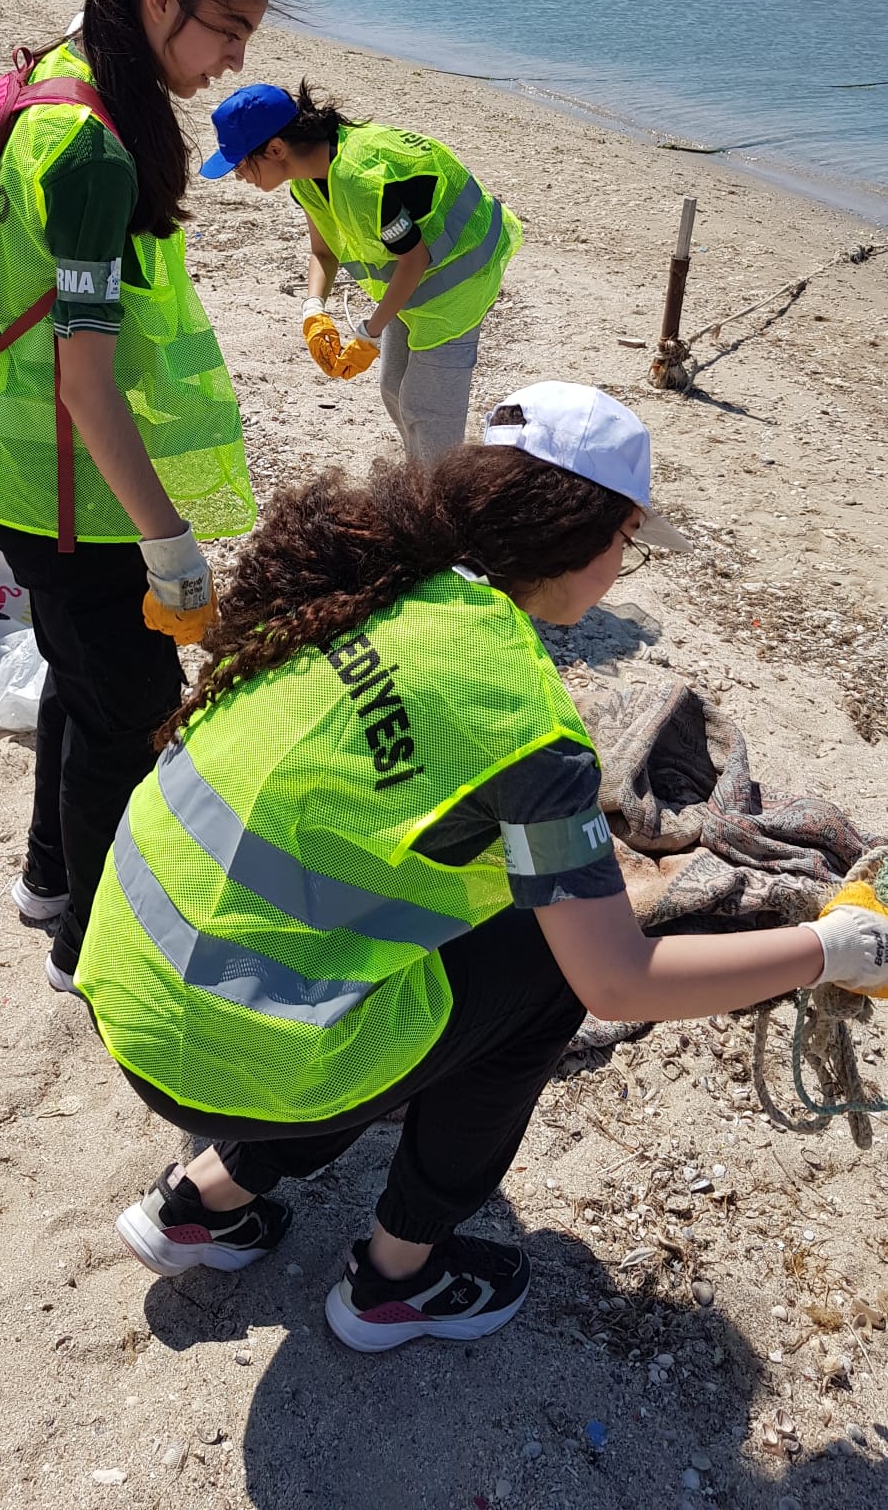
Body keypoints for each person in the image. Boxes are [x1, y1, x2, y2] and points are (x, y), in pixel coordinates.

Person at [75, 380, 888, 1353]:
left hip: (126, 986)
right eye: (626, 546)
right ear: (590, 535)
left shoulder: (363, 585)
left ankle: (203, 1199)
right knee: (544, 976)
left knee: (458, 942)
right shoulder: (520, 724)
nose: (619, 567)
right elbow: (615, 982)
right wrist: (830, 947)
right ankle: (394, 1281)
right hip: (227, 1059)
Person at [0, 0, 298, 992]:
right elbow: (86, 378)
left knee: (82, 677)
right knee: (136, 710)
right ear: (161, 1)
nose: (231, 61)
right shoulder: (92, 152)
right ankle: (88, 948)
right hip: (69, 489)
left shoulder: (51, 73)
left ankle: (48, 879)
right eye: (228, 32)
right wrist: (170, 545)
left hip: (15, 459)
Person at [199, 79, 522, 462]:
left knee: (426, 408)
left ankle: (440, 495)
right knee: (393, 389)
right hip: (415, 284)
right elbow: (322, 252)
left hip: (460, 280)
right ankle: (424, 477)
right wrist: (313, 311)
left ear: (275, 148)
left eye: (239, 163)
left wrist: (368, 333)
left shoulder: (361, 184)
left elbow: (414, 259)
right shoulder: (306, 180)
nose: (238, 175)